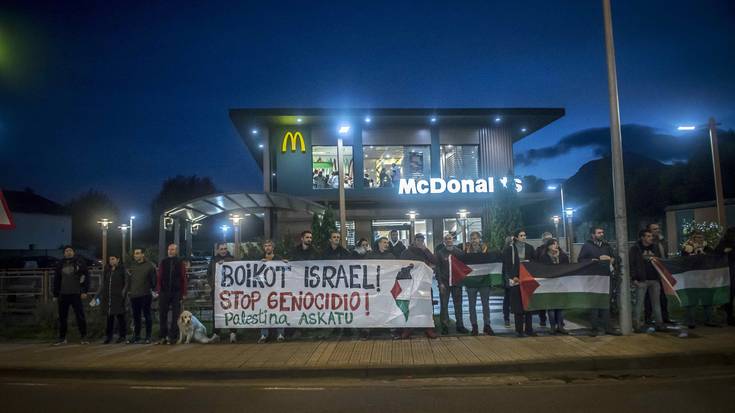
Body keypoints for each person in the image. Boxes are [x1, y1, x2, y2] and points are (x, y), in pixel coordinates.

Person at [578, 226, 619, 336]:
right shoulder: (587, 246)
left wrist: (612, 259)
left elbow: (615, 257)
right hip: (594, 278)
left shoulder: (606, 245)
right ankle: (594, 328)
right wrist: (592, 261)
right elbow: (581, 259)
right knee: (594, 304)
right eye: (599, 232)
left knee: (606, 302)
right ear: (593, 235)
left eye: (602, 232)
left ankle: (607, 327)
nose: (601, 234)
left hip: (606, 278)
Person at [399, 233, 439, 339]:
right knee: (410, 306)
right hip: (410, 284)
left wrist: (425, 250)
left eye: (422, 240)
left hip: (423, 284)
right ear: (414, 241)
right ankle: (408, 328)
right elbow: (401, 265)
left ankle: (428, 328)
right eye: (418, 240)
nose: (420, 242)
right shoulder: (406, 252)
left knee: (426, 306)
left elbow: (435, 261)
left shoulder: (425, 252)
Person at [680, 231, 719, 330]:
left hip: (705, 278)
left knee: (707, 300)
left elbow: (713, 259)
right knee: (692, 301)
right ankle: (691, 322)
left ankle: (709, 320)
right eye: (696, 237)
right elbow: (683, 261)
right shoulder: (686, 249)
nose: (699, 239)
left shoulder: (707, 248)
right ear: (692, 239)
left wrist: (703, 254)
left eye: (701, 237)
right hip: (691, 278)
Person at [52, 245, 90, 345]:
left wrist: (84, 291)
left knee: (80, 316)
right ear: (64, 253)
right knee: (62, 317)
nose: (68, 252)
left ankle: (84, 337)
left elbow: (85, 277)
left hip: (76, 294)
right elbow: (56, 280)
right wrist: (55, 294)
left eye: (70, 250)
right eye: (66, 251)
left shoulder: (79, 262)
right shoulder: (60, 264)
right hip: (63, 294)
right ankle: (62, 338)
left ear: (73, 252)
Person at [502, 230, 536, 337]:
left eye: (525, 235)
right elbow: (507, 265)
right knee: (518, 306)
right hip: (515, 280)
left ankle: (529, 329)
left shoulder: (530, 248)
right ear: (516, 237)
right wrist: (513, 276)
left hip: (527, 279)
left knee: (528, 305)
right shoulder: (510, 249)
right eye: (521, 235)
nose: (524, 237)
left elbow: (534, 263)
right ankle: (519, 330)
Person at [630, 229, 665, 333]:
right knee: (639, 304)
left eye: (651, 236)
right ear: (642, 237)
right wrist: (634, 278)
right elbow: (631, 264)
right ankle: (636, 325)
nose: (651, 238)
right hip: (642, 280)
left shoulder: (655, 247)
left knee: (656, 303)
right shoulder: (635, 248)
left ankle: (659, 324)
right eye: (648, 236)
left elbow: (661, 261)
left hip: (654, 279)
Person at [463, 231, 495, 336]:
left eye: (476, 238)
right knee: (472, 305)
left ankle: (487, 325)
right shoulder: (466, 251)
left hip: (484, 281)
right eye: (472, 238)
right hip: (471, 282)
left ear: (479, 239)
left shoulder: (486, 249)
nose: (474, 240)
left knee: (485, 304)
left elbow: (492, 262)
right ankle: (474, 326)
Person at [436, 233, 468, 335]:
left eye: (450, 238)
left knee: (458, 305)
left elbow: (463, 268)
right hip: (445, 283)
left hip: (457, 283)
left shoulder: (459, 253)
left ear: (453, 240)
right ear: (444, 241)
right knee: (444, 305)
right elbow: (438, 269)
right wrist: (440, 283)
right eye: (446, 239)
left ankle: (460, 325)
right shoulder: (440, 253)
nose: (449, 240)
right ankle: (444, 326)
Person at [157, 243, 187, 345]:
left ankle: (173, 337)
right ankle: (163, 336)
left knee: (175, 316)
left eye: (173, 249)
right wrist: (159, 290)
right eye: (169, 249)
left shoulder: (180, 262)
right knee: (162, 315)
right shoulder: (163, 262)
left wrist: (183, 293)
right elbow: (159, 277)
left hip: (176, 292)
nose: (170, 251)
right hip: (164, 292)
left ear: (176, 251)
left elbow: (183, 278)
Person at [538, 238, 570, 335]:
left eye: (556, 244)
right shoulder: (543, 257)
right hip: (549, 284)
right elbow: (543, 270)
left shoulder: (563, 256)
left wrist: (557, 258)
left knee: (560, 306)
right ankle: (552, 326)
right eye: (553, 244)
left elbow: (566, 268)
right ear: (548, 246)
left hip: (561, 284)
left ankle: (560, 326)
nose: (555, 246)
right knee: (551, 306)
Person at [644, 223, 673, 324]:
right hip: (652, 273)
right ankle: (648, 317)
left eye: (658, 228)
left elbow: (664, 255)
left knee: (663, 297)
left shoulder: (662, 241)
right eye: (655, 229)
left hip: (662, 272)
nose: (658, 230)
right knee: (649, 297)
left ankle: (665, 317)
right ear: (650, 231)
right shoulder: (649, 243)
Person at [126, 248, 157, 344]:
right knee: (136, 317)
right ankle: (137, 336)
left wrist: (151, 289)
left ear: (142, 255)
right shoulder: (132, 265)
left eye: (137, 253)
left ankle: (148, 336)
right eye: (135, 254)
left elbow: (154, 281)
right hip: (134, 295)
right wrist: (129, 291)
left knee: (147, 315)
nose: (135, 255)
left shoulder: (150, 265)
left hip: (145, 294)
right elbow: (129, 280)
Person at [207, 243, 236, 343]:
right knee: (217, 312)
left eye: (225, 249)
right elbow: (209, 274)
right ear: (218, 250)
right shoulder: (213, 260)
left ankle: (232, 332)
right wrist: (213, 285)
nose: (223, 250)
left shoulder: (232, 259)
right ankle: (216, 333)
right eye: (221, 249)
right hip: (217, 291)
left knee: (231, 311)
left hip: (230, 291)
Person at [258, 239, 286, 343]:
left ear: (273, 248)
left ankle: (280, 334)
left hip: (277, 289)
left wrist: (285, 263)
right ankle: (264, 335)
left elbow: (285, 271)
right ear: (263, 248)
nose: (267, 247)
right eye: (266, 245)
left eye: (269, 245)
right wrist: (260, 263)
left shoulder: (278, 259)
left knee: (278, 311)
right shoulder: (260, 259)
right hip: (264, 291)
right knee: (264, 312)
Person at [97, 254, 128, 344]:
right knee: (109, 318)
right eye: (110, 259)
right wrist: (97, 296)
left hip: (119, 297)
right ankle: (108, 336)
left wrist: (123, 293)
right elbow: (103, 284)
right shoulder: (107, 270)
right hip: (109, 298)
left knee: (120, 317)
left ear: (118, 260)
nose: (111, 261)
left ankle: (122, 336)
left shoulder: (122, 270)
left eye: (113, 259)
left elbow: (126, 283)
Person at [715, 227, 735, 326]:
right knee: (730, 295)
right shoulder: (725, 242)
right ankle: (729, 317)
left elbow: (717, 250)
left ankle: (729, 317)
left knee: (729, 295)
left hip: (729, 271)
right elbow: (718, 251)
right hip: (730, 271)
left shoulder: (725, 241)